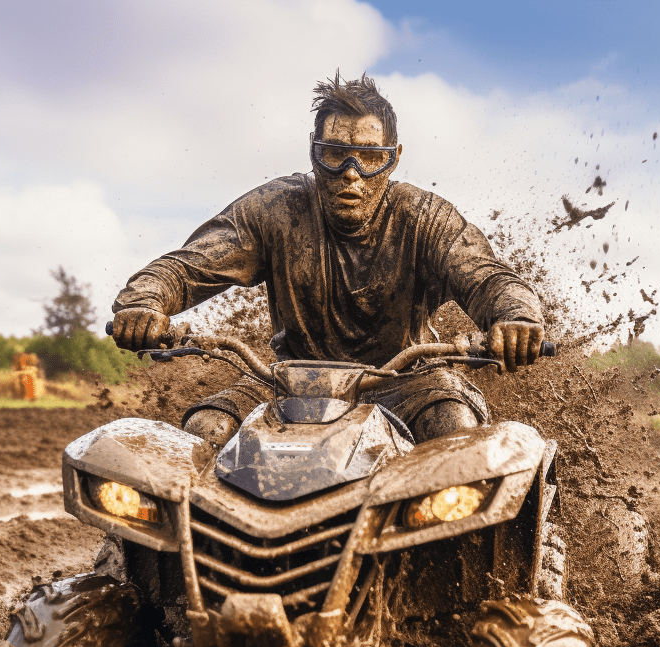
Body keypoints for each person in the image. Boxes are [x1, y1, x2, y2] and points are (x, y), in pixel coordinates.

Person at [110, 72, 545, 445]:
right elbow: (184, 267)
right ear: (314, 153)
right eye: (336, 154)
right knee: (206, 428)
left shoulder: (425, 218)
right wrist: (143, 304)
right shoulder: (275, 210)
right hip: (287, 382)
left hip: (406, 382)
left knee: (455, 427)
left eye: (370, 158)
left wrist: (515, 318)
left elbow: (491, 279)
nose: (351, 174)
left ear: (392, 161)